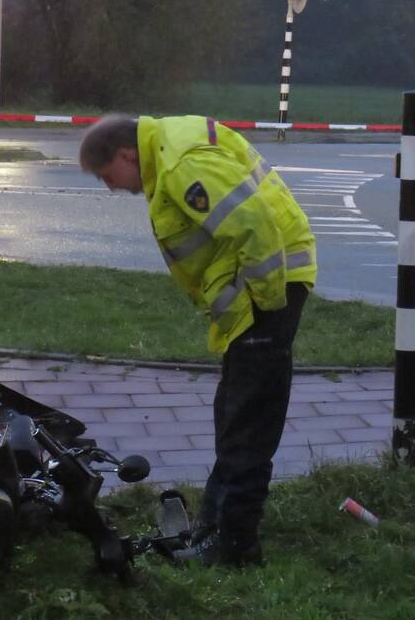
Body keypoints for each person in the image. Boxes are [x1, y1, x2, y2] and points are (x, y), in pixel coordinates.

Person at [79, 115, 316, 566]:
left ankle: (235, 548)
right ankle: (214, 527)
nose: (111, 188)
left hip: (268, 290)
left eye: (109, 176)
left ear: (128, 155)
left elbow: (256, 226)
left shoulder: (181, 166)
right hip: (257, 292)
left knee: (247, 423)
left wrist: (266, 311)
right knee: (233, 413)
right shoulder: (168, 151)